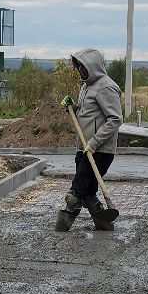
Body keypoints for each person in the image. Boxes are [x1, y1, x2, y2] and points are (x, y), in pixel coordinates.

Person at [57, 47, 123, 232]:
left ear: (92, 66)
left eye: (83, 67)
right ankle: (103, 223)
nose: (80, 71)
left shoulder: (106, 87)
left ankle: (61, 229)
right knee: (88, 191)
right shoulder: (87, 86)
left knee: (75, 192)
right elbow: (89, 113)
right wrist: (74, 107)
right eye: (78, 67)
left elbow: (115, 119)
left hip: (99, 151)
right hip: (85, 148)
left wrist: (94, 143)